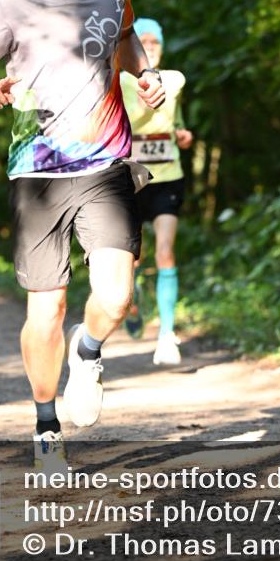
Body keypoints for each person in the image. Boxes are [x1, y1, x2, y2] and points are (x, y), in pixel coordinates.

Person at [0, 0, 165, 466]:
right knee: (45, 309)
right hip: (37, 171)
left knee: (117, 295)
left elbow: (123, 40)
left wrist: (144, 74)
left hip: (106, 160)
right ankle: (47, 426)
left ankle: (89, 349)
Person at [120, 19, 193, 366]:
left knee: (165, 252)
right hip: (131, 179)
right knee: (130, 260)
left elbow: (172, 118)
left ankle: (166, 334)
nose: (149, 47)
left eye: (155, 42)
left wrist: (181, 133)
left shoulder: (174, 79)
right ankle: (131, 297)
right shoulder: (119, 80)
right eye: (143, 41)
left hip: (167, 177)